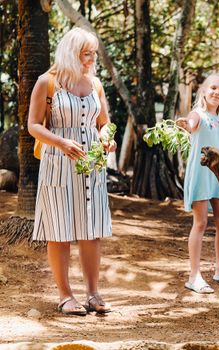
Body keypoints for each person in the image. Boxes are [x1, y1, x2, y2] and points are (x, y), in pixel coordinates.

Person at [28, 27, 117, 315]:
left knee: (92, 230)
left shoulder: (96, 85)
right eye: (85, 54)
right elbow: (34, 125)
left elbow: (103, 123)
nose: (92, 59)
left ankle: (93, 292)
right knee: (60, 230)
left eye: (93, 54)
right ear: (70, 53)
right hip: (58, 162)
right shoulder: (47, 82)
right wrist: (61, 141)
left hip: (91, 163)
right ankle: (66, 295)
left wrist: (107, 139)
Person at [176, 72, 219, 294]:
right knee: (200, 223)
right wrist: (186, 123)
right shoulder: (198, 115)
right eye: (213, 88)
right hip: (201, 174)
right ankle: (194, 276)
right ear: (204, 91)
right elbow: (191, 123)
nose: (217, 93)